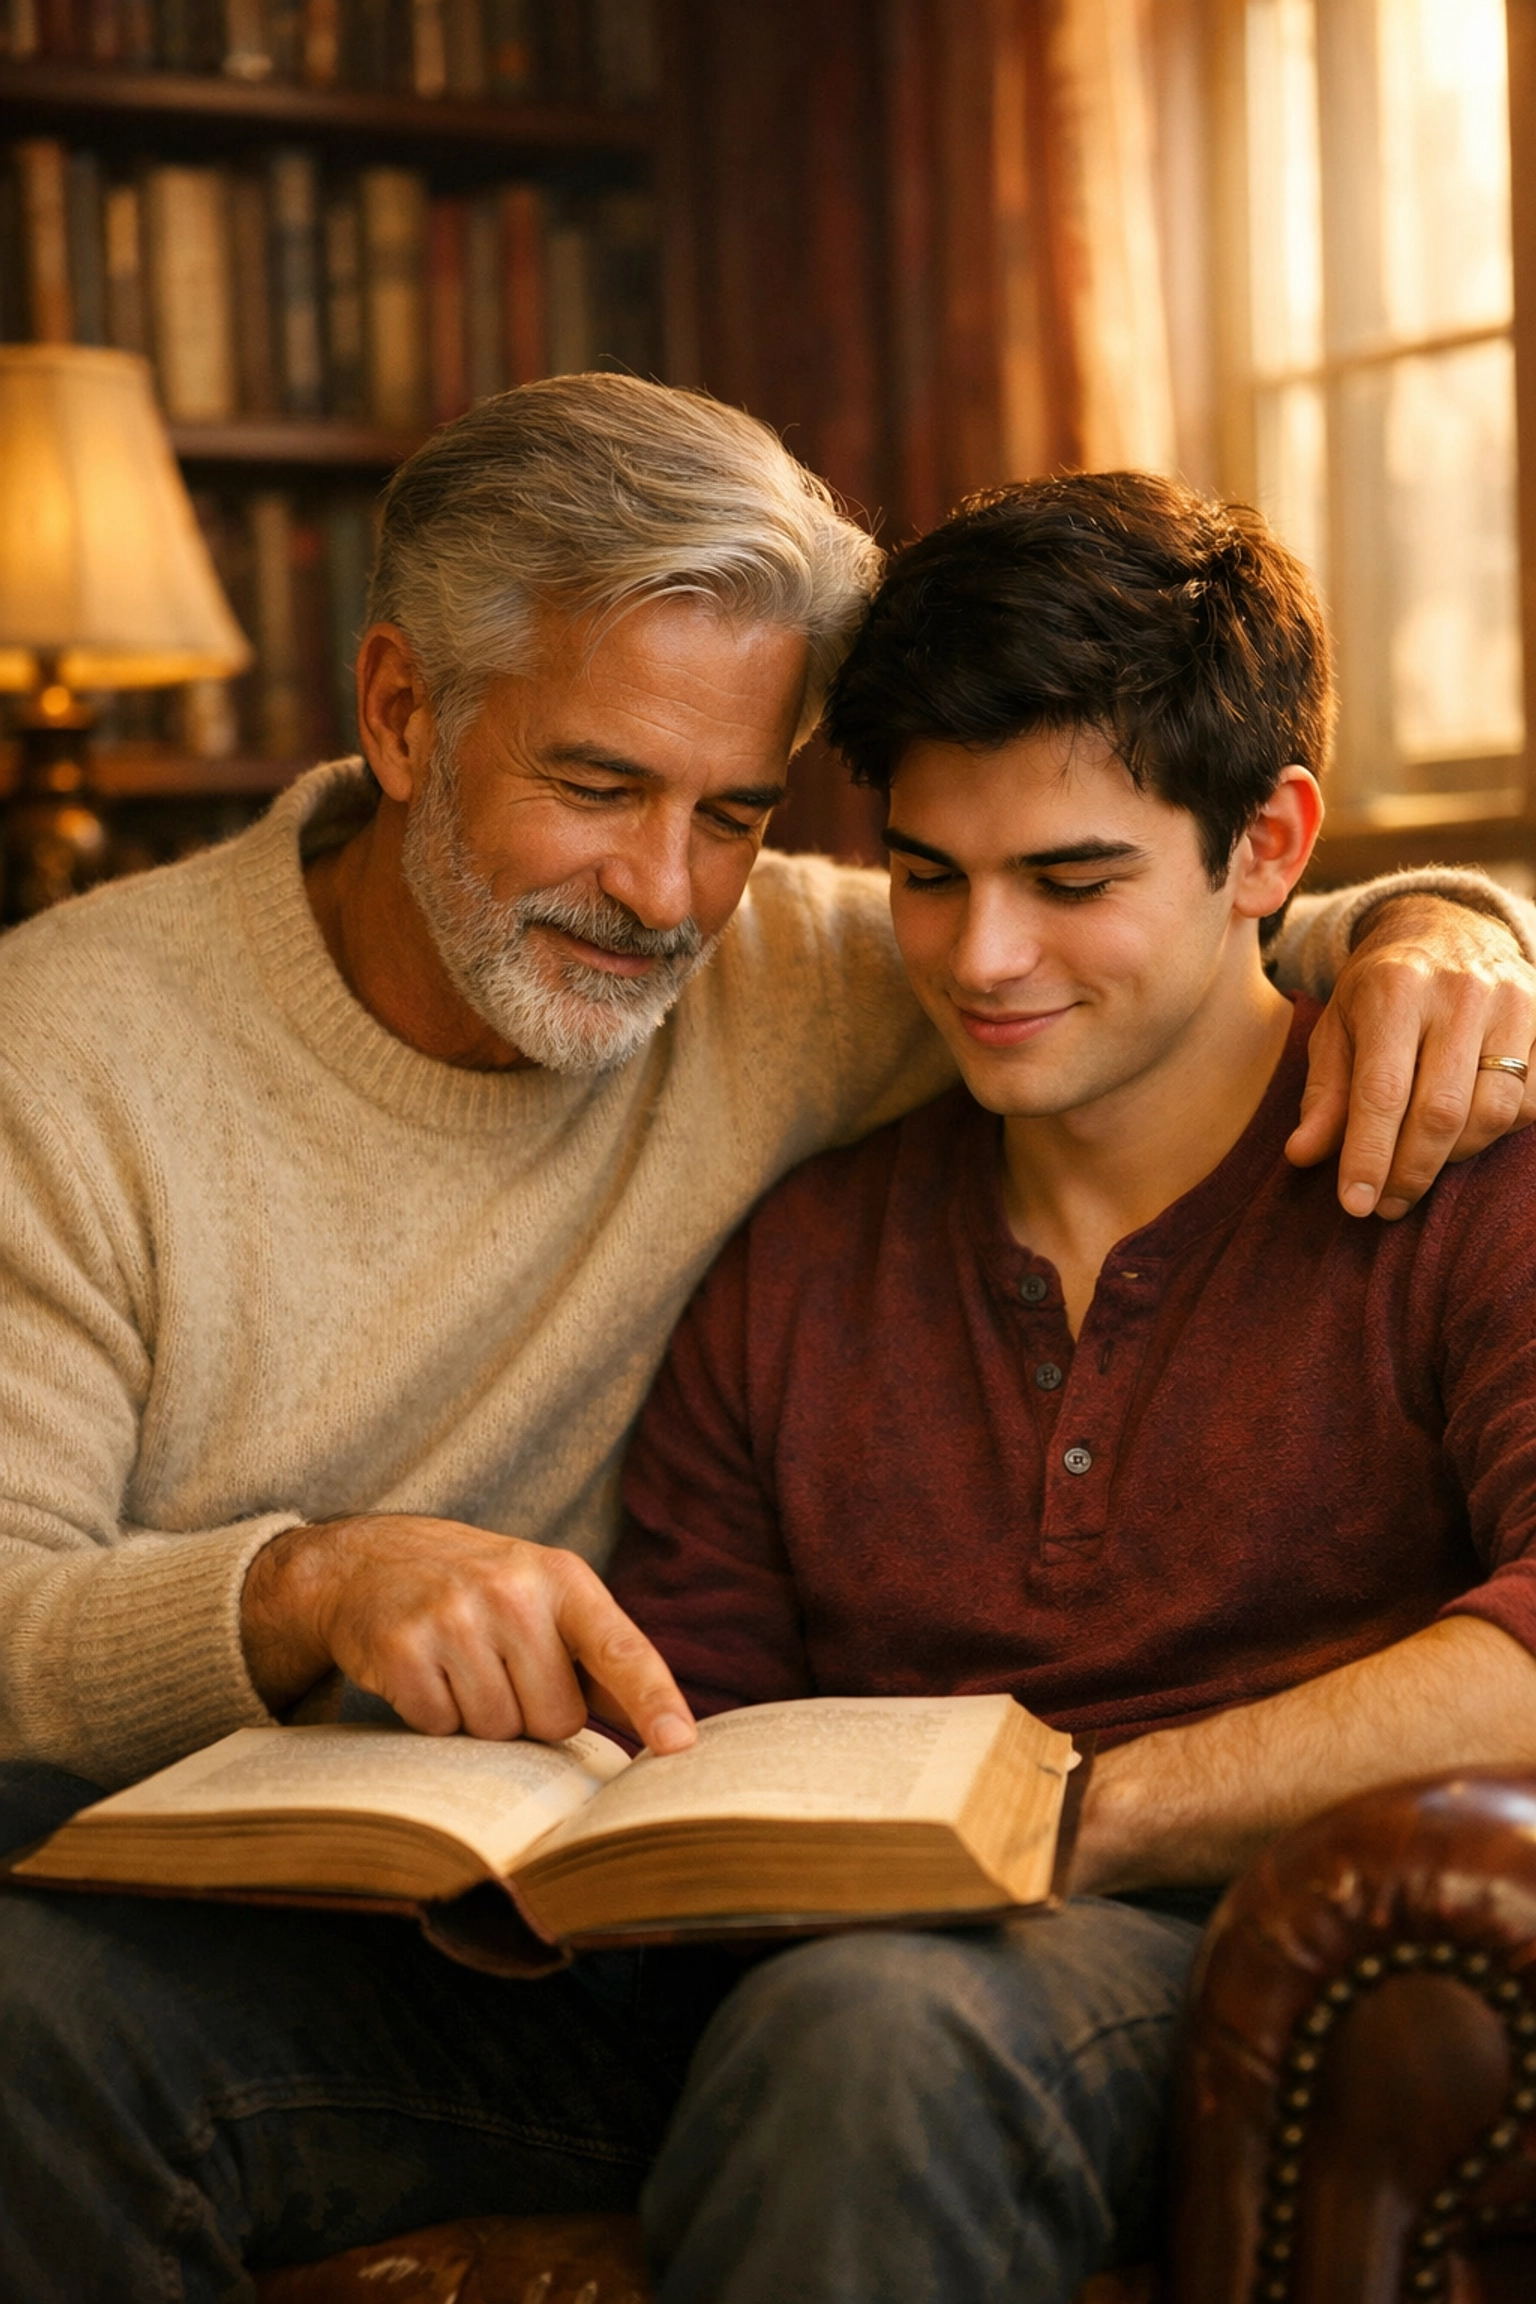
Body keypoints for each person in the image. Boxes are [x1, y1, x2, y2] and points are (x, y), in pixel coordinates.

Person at [0, 381, 1531, 2299]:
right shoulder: (74, 1060)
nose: (664, 895)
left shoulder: (1421, 1145)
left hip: (1129, 1965)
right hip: (522, 1918)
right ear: (400, 714)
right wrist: (323, 1609)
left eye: (733, 813)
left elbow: (1221, 946)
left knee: (865, 2031)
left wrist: (1454, 933)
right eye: (594, 786)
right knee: (30, 2010)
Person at [607, 471, 1536, 2304]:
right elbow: (690, 1735)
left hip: (1243, 1971)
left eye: (1072, 880)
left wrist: (1069, 1816)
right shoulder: (800, 1262)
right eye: (929, 879)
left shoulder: (1474, 1179)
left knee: (865, 2036)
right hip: (802, 1979)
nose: (981, 961)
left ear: (1270, 846)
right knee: (70, 1995)